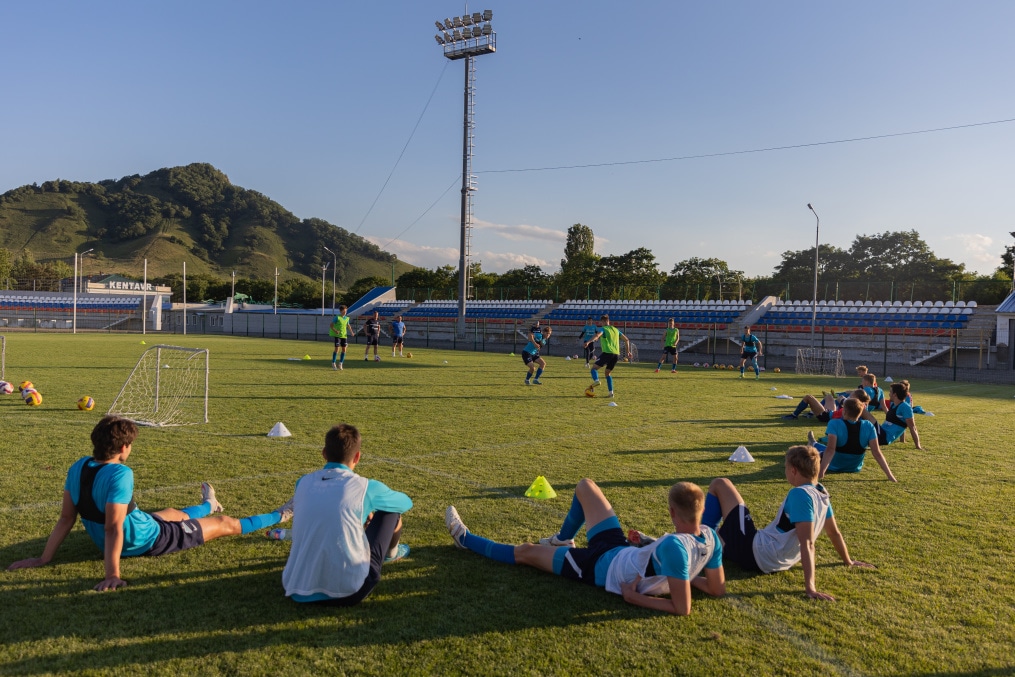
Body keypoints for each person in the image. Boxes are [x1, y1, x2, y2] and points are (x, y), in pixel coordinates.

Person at [6, 416, 292, 591]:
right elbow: (113, 528)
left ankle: (209, 504)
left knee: (170, 513)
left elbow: (66, 518)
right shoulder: (120, 473)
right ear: (123, 448)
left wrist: (44, 559)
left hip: (137, 525)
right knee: (225, 524)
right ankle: (281, 515)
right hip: (149, 540)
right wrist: (112, 574)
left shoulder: (78, 466)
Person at [445, 479, 725, 615]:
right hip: (620, 549)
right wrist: (684, 575)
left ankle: (464, 539)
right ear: (700, 511)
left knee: (525, 552)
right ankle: (562, 539)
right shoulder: (710, 537)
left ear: (672, 512)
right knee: (585, 487)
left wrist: (633, 597)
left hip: (599, 566)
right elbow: (716, 588)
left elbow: (682, 608)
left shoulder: (675, 548)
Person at [702, 445, 875, 600]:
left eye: (785, 467)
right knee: (721, 535)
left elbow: (807, 543)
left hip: (756, 553)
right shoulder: (822, 492)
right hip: (777, 560)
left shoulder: (800, 494)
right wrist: (848, 560)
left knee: (721, 483)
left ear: (793, 471)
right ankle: (713, 541)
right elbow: (833, 532)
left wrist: (810, 588)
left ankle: (700, 542)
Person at [282, 423, 412, 606]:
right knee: (391, 512)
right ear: (357, 456)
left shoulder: (302, 482)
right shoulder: (366, 487)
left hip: (296, 587)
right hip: (350, 591)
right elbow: (405, 503)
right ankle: (392, 554)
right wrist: (367, 507)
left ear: (324, 453)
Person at [809, 398, 897, 481]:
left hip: (835, 465)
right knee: (825, 449)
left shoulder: (834, 423)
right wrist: (890, 475)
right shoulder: (868, 425)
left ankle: (813, 443)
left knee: (817, 453)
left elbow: (830, 450)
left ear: (844, 411)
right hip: (854, 467)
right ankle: (813, 442)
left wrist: (821, 472)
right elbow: (877, 452)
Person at [585, 315, 631, 398]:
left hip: (607, 353)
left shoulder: (603, 329)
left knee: (594, 369)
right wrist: (628, 352)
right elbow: (627, 340)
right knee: (607, 373)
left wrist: (588, 342)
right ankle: (611, 393)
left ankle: (596, 381)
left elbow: (597, 335)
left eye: (601, 322)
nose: (601, 324)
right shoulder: (616, 330)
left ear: (604, 321)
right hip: (616, 355)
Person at [877, 382, 923, 449]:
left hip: (885, 436)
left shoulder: (905, 407)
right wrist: (902, 440)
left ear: (895, 394)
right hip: (881, 432)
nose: (889, 394)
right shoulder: (894, 405)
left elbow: (912, 427)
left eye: (890, 392)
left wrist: (918, 446)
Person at [522, 321, 552, 385]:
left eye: (549, 334)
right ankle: (527, 380)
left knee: (543, 363)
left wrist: (537, 348)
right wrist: (534, 343)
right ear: (543, 332)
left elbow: (538, 347)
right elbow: (530, 335)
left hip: (534, 354)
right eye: (547, 333)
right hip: (527, 352)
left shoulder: (544, 341)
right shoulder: (539, 335)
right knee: (532, 368)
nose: (548, 335)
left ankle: (536, 379)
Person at [329, 305, 351, 370]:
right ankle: (333, 363)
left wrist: (352, 332)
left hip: (344, 336)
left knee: (344, 350)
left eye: (346, 311)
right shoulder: (337, 317)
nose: (345, 312)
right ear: (341, 311)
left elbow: (348, 325)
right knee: (337, 349)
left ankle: (340, 363)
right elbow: (331, 325)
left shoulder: (347, 318)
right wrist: (335, 331)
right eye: (344, 311)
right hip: (337, 336)